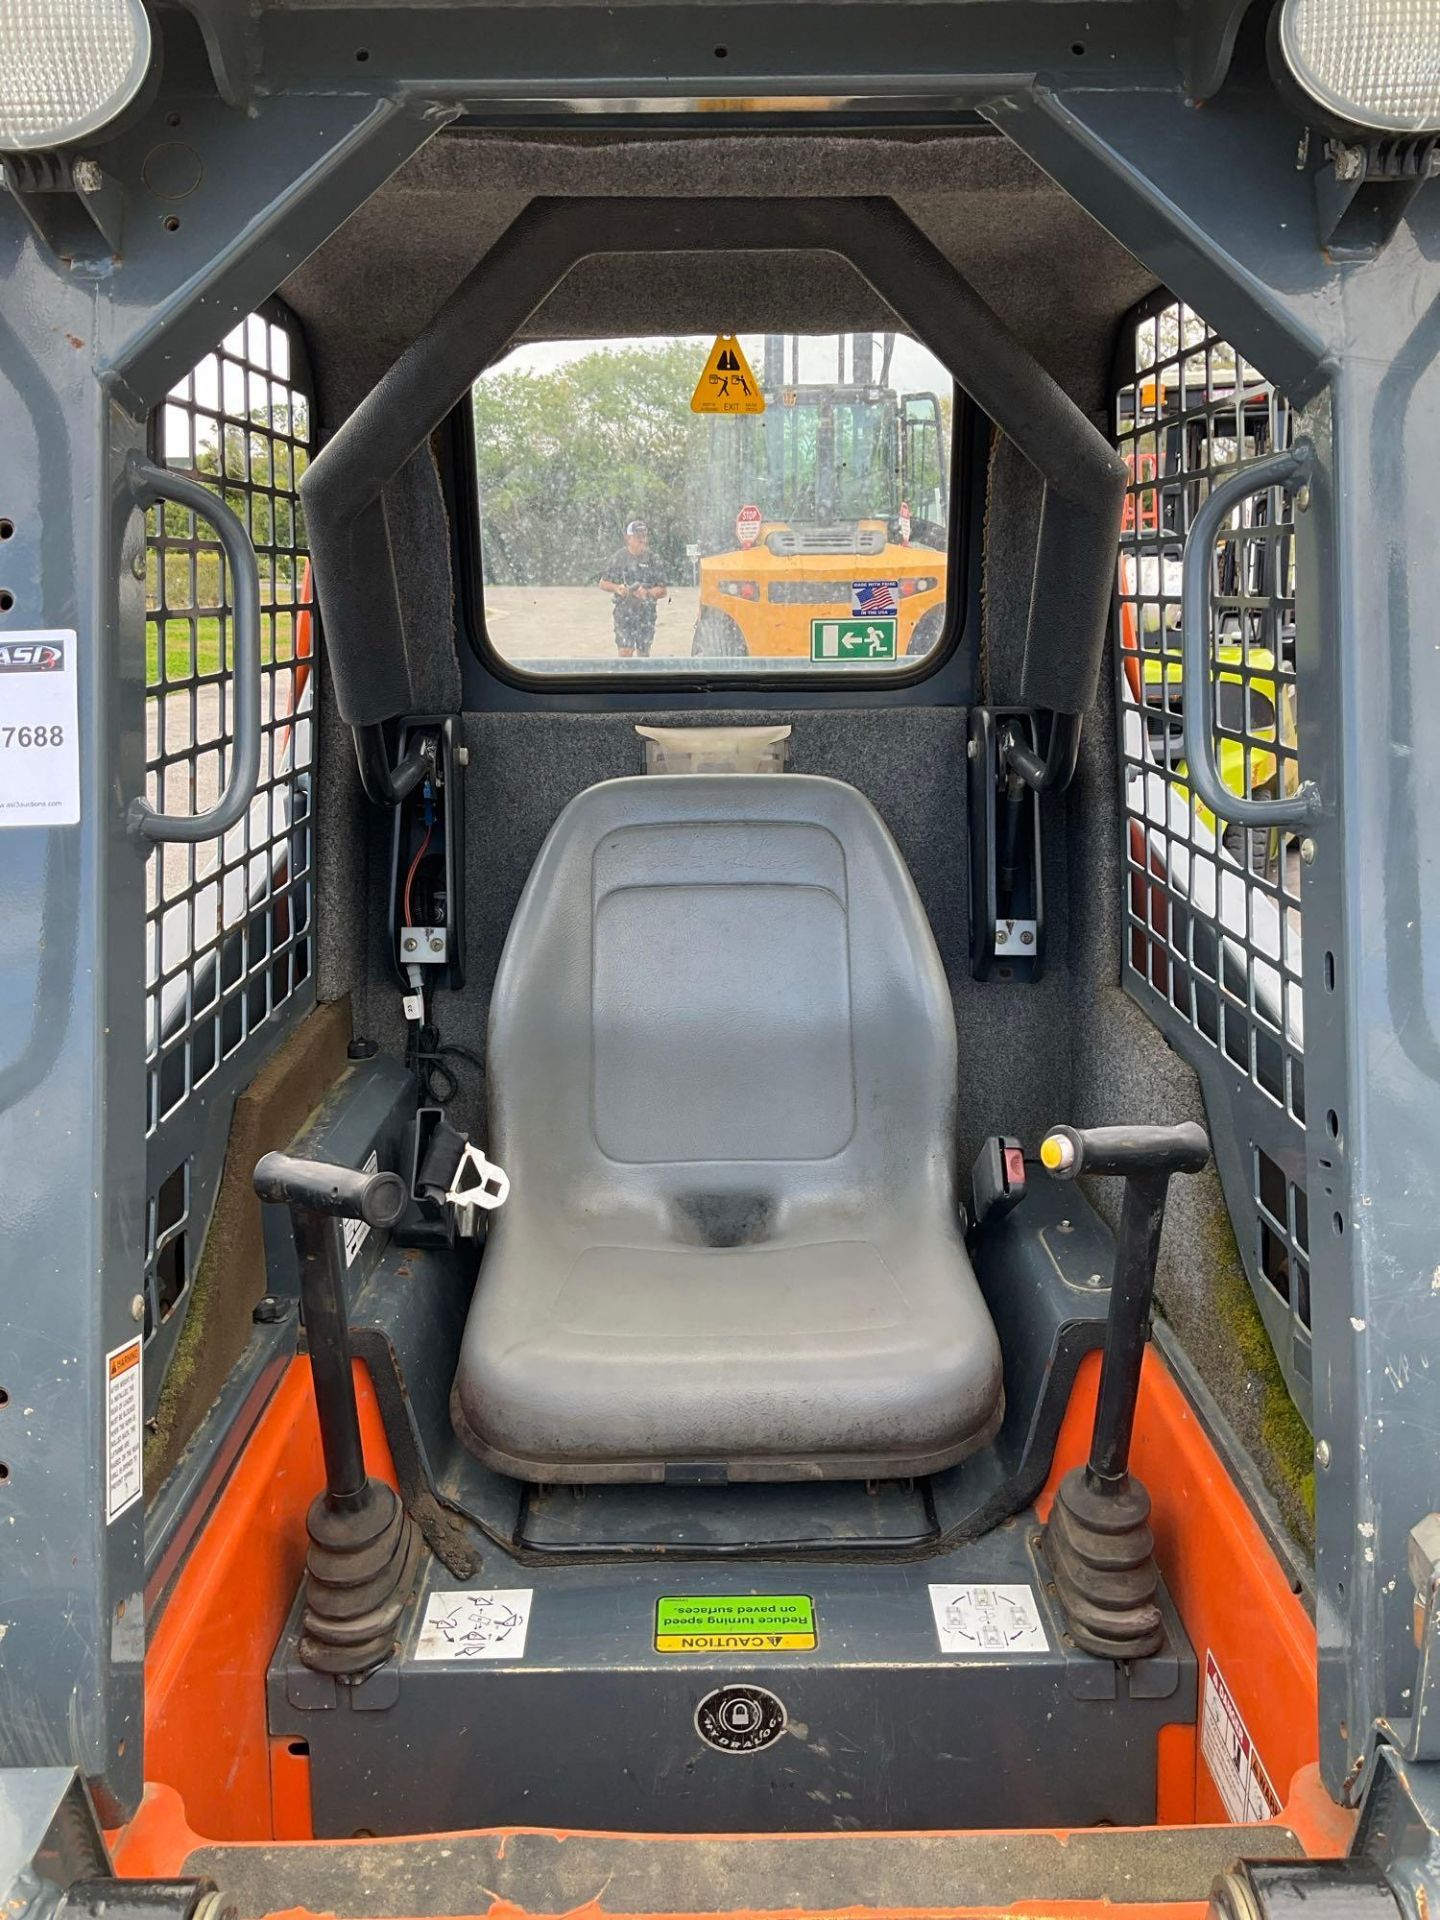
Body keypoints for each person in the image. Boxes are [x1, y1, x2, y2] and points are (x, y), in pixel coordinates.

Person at [598, 519, 669, 658]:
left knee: (643, 654)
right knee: (625, 652)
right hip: (624, 613)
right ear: (628, 538)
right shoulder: (618, 558)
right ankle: (624, 679)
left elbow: (663, 590)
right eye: (638, 537)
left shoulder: (653, 559)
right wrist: (618, 588)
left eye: (644, 536)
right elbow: (602, 583)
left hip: (647, 614)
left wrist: (647, 593)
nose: (642, 540)